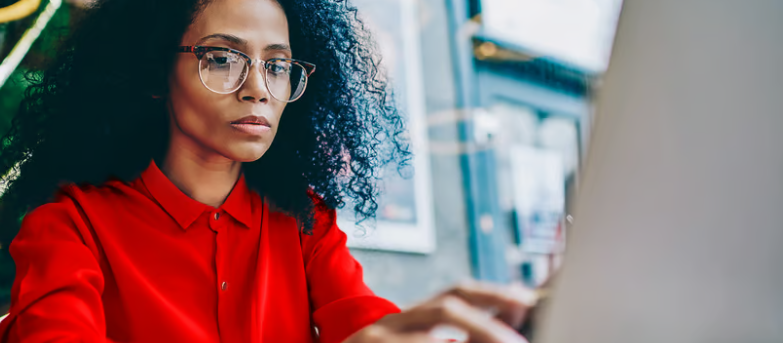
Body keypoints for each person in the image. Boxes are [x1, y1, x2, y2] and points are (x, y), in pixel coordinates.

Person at [0, 0, 534, 342]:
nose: (259, 87)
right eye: (222, 58)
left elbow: (364, 321)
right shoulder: (70, 227)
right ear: (154, 72)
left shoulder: (304, 222)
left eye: (277, 65)